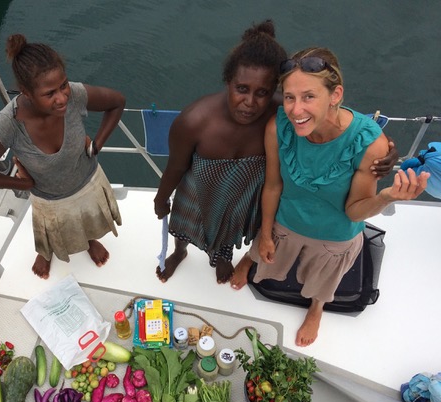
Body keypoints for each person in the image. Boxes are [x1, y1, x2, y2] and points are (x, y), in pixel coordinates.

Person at [153, 21, 397, 285]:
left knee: (230, 229)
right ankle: (180, 252)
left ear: (275, 92)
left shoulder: (285, 111)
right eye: (242, 89)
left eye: (262, 93)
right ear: (228, 81)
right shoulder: (194, 121)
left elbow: (330, 113)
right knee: (185, 223)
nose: (249, 102)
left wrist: (385, 146)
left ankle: (222, 258)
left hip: (244, 194)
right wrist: (161, 197)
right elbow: (176, 167)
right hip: (200, 190)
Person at [238, 47, 429, 347]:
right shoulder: (278, 128)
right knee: (264, 251)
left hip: (335, 233)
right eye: (290, 97)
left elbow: (354, 213)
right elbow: (273, 185)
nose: (296, 110)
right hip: (286, 220)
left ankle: (316, 309)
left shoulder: (371, 145)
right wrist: (264, 233)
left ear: (335, 95)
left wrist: (388, 196)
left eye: (309, 97)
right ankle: (249, 260)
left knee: (323, 284)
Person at [0, 34, 125, 279]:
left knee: (87, 219)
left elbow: (117, 102)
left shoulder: (75, 95)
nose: (61, 98)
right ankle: (46, 252)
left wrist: (97, 145)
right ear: (26, 92)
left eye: (63, 85)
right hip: (48, 198)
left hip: (86, 180)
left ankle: (90, 240)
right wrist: (21, 184)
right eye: (50, 94)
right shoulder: (9, 124)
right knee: (49, 232)